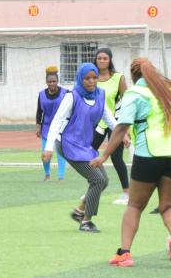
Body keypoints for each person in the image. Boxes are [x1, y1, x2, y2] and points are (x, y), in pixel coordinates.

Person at [95, 58, 171, 267]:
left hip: (149, 153)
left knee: (135, 205)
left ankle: (125, 253)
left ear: (134, 76)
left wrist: (104, 156)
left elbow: (121, 127)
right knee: (169, 207)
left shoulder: (134, 93)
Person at [43, 63, 116, 232]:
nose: (91, 81)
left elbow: (108, 118)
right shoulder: (72, 97)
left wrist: (123, 134)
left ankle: (79, 211)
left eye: (94, 78)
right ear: (80, 79)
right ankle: (86, 222)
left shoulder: (100, 95)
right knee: (97, 180)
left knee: (104, 181)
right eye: (87, 78)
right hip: (68, 144)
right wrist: (48, 148)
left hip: (84, 145)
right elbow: (57, 120)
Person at [92, 47, 130, 205]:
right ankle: (96, 187)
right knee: (89, 153)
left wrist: (125, 129)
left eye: (105, 58)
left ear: (110, 60)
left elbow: (127, 102)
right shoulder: (91, 77)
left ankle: (127, 194)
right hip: (96, 122)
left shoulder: (118, 78)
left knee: (116, 157)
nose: (101, 60)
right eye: (99, 58)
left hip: (115, 122)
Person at [35, 65, 67, 181]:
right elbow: (39, 112)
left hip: (61, 127)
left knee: (60, 153)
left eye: (54, 81)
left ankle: (61, 177)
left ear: (57, 81)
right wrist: (38, 127)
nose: (52, 83)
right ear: (46, 82)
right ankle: (47, 174)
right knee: (45, 153)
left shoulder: (66, 93)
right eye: (50, 82)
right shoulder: (41, 95)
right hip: (46, 127)